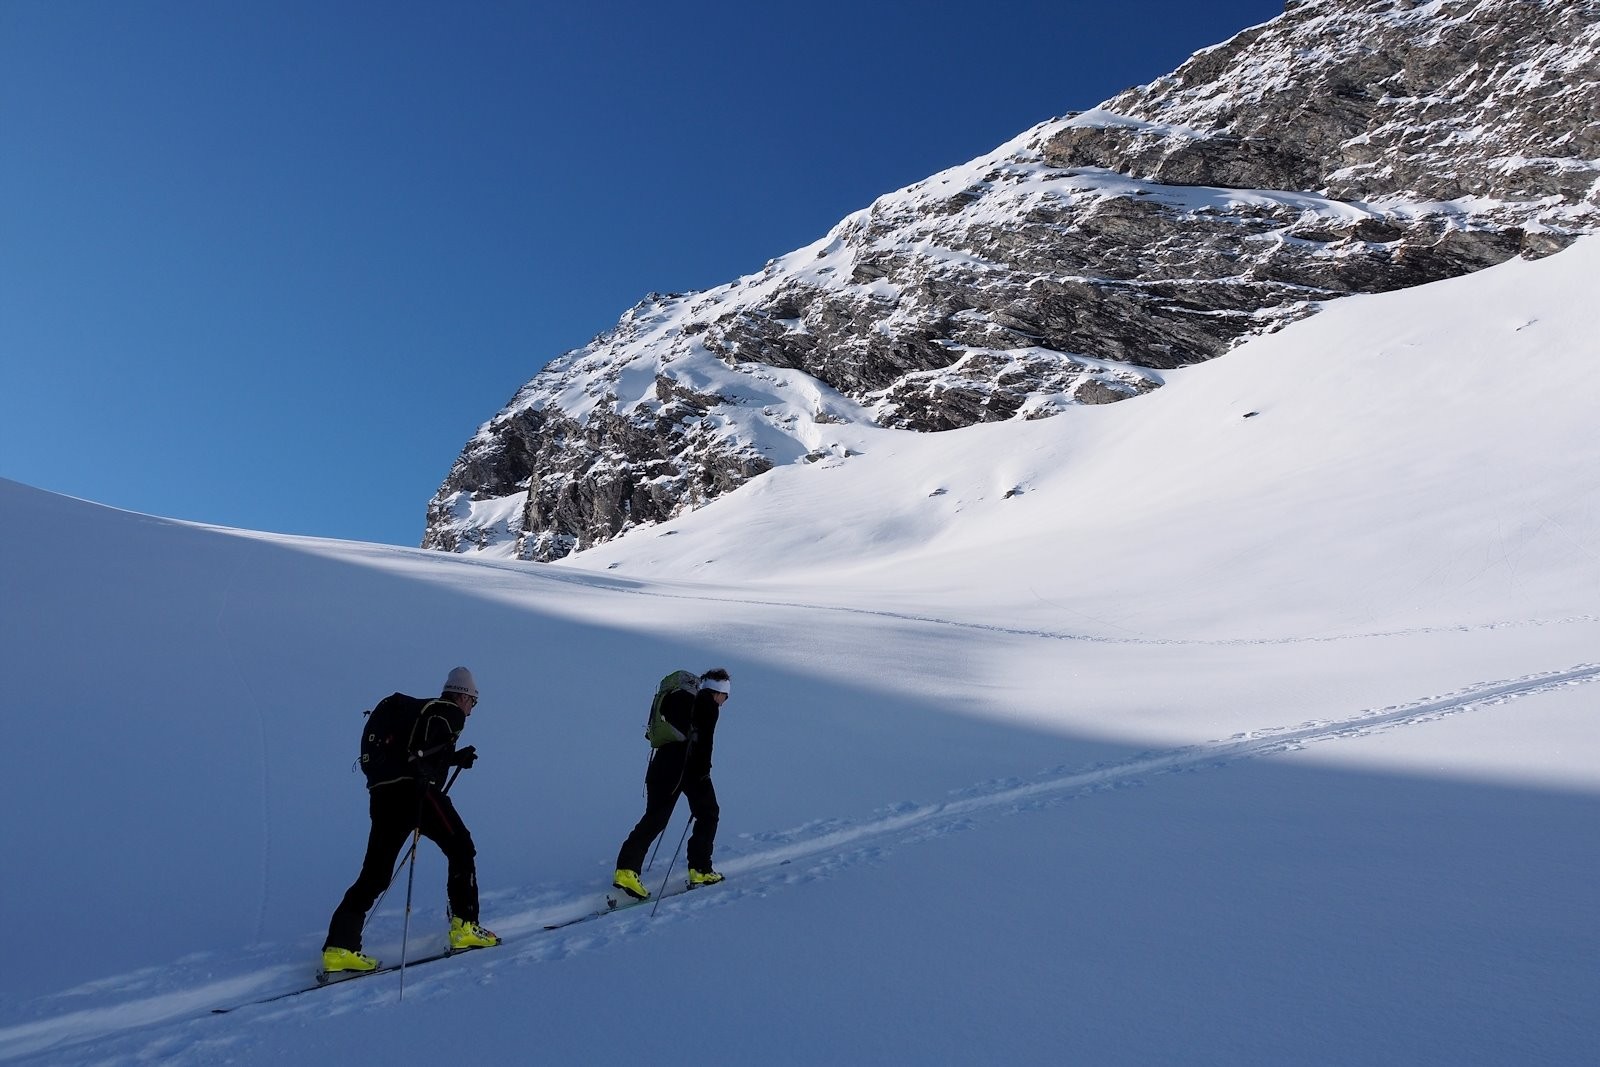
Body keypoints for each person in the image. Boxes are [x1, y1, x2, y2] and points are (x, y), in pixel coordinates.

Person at [321, 667, 500, 973]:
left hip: (383, 795)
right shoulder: (450, 713)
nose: (471, 711)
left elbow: (423, 752)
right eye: (472, 702)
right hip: (417, 793)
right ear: (461, 695)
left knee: (375, 874)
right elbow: (423, 758)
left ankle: (339, 947)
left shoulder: (422, 710)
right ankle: (465, 926)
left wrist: (455, 758)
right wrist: (446, 761)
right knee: (461, 847)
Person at [613, 667, 732, 900]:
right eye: (725, 696)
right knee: (708, 813)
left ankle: (626, 870)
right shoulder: (707, 704)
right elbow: (704, 742)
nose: (724, 702)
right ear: (718, 691)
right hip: (687, 768)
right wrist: (704, 772)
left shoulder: (679, 698)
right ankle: (700, 869)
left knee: (656, 817)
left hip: (662, 763)